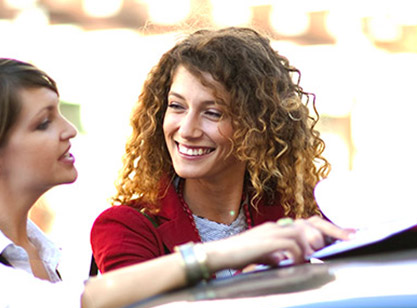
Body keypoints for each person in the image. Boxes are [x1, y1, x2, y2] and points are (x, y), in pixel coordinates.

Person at [0, 57, 347, 308]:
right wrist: (225, 259)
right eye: (43, 123)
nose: (68, 130)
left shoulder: (43, 254)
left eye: (213, 112)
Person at [90, 26, 343, 276]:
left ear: (255, 127)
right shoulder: (125, 227)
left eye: (212, 113)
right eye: (177, 106)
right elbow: (135, 307)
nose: (187, 130)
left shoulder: (295, 214)